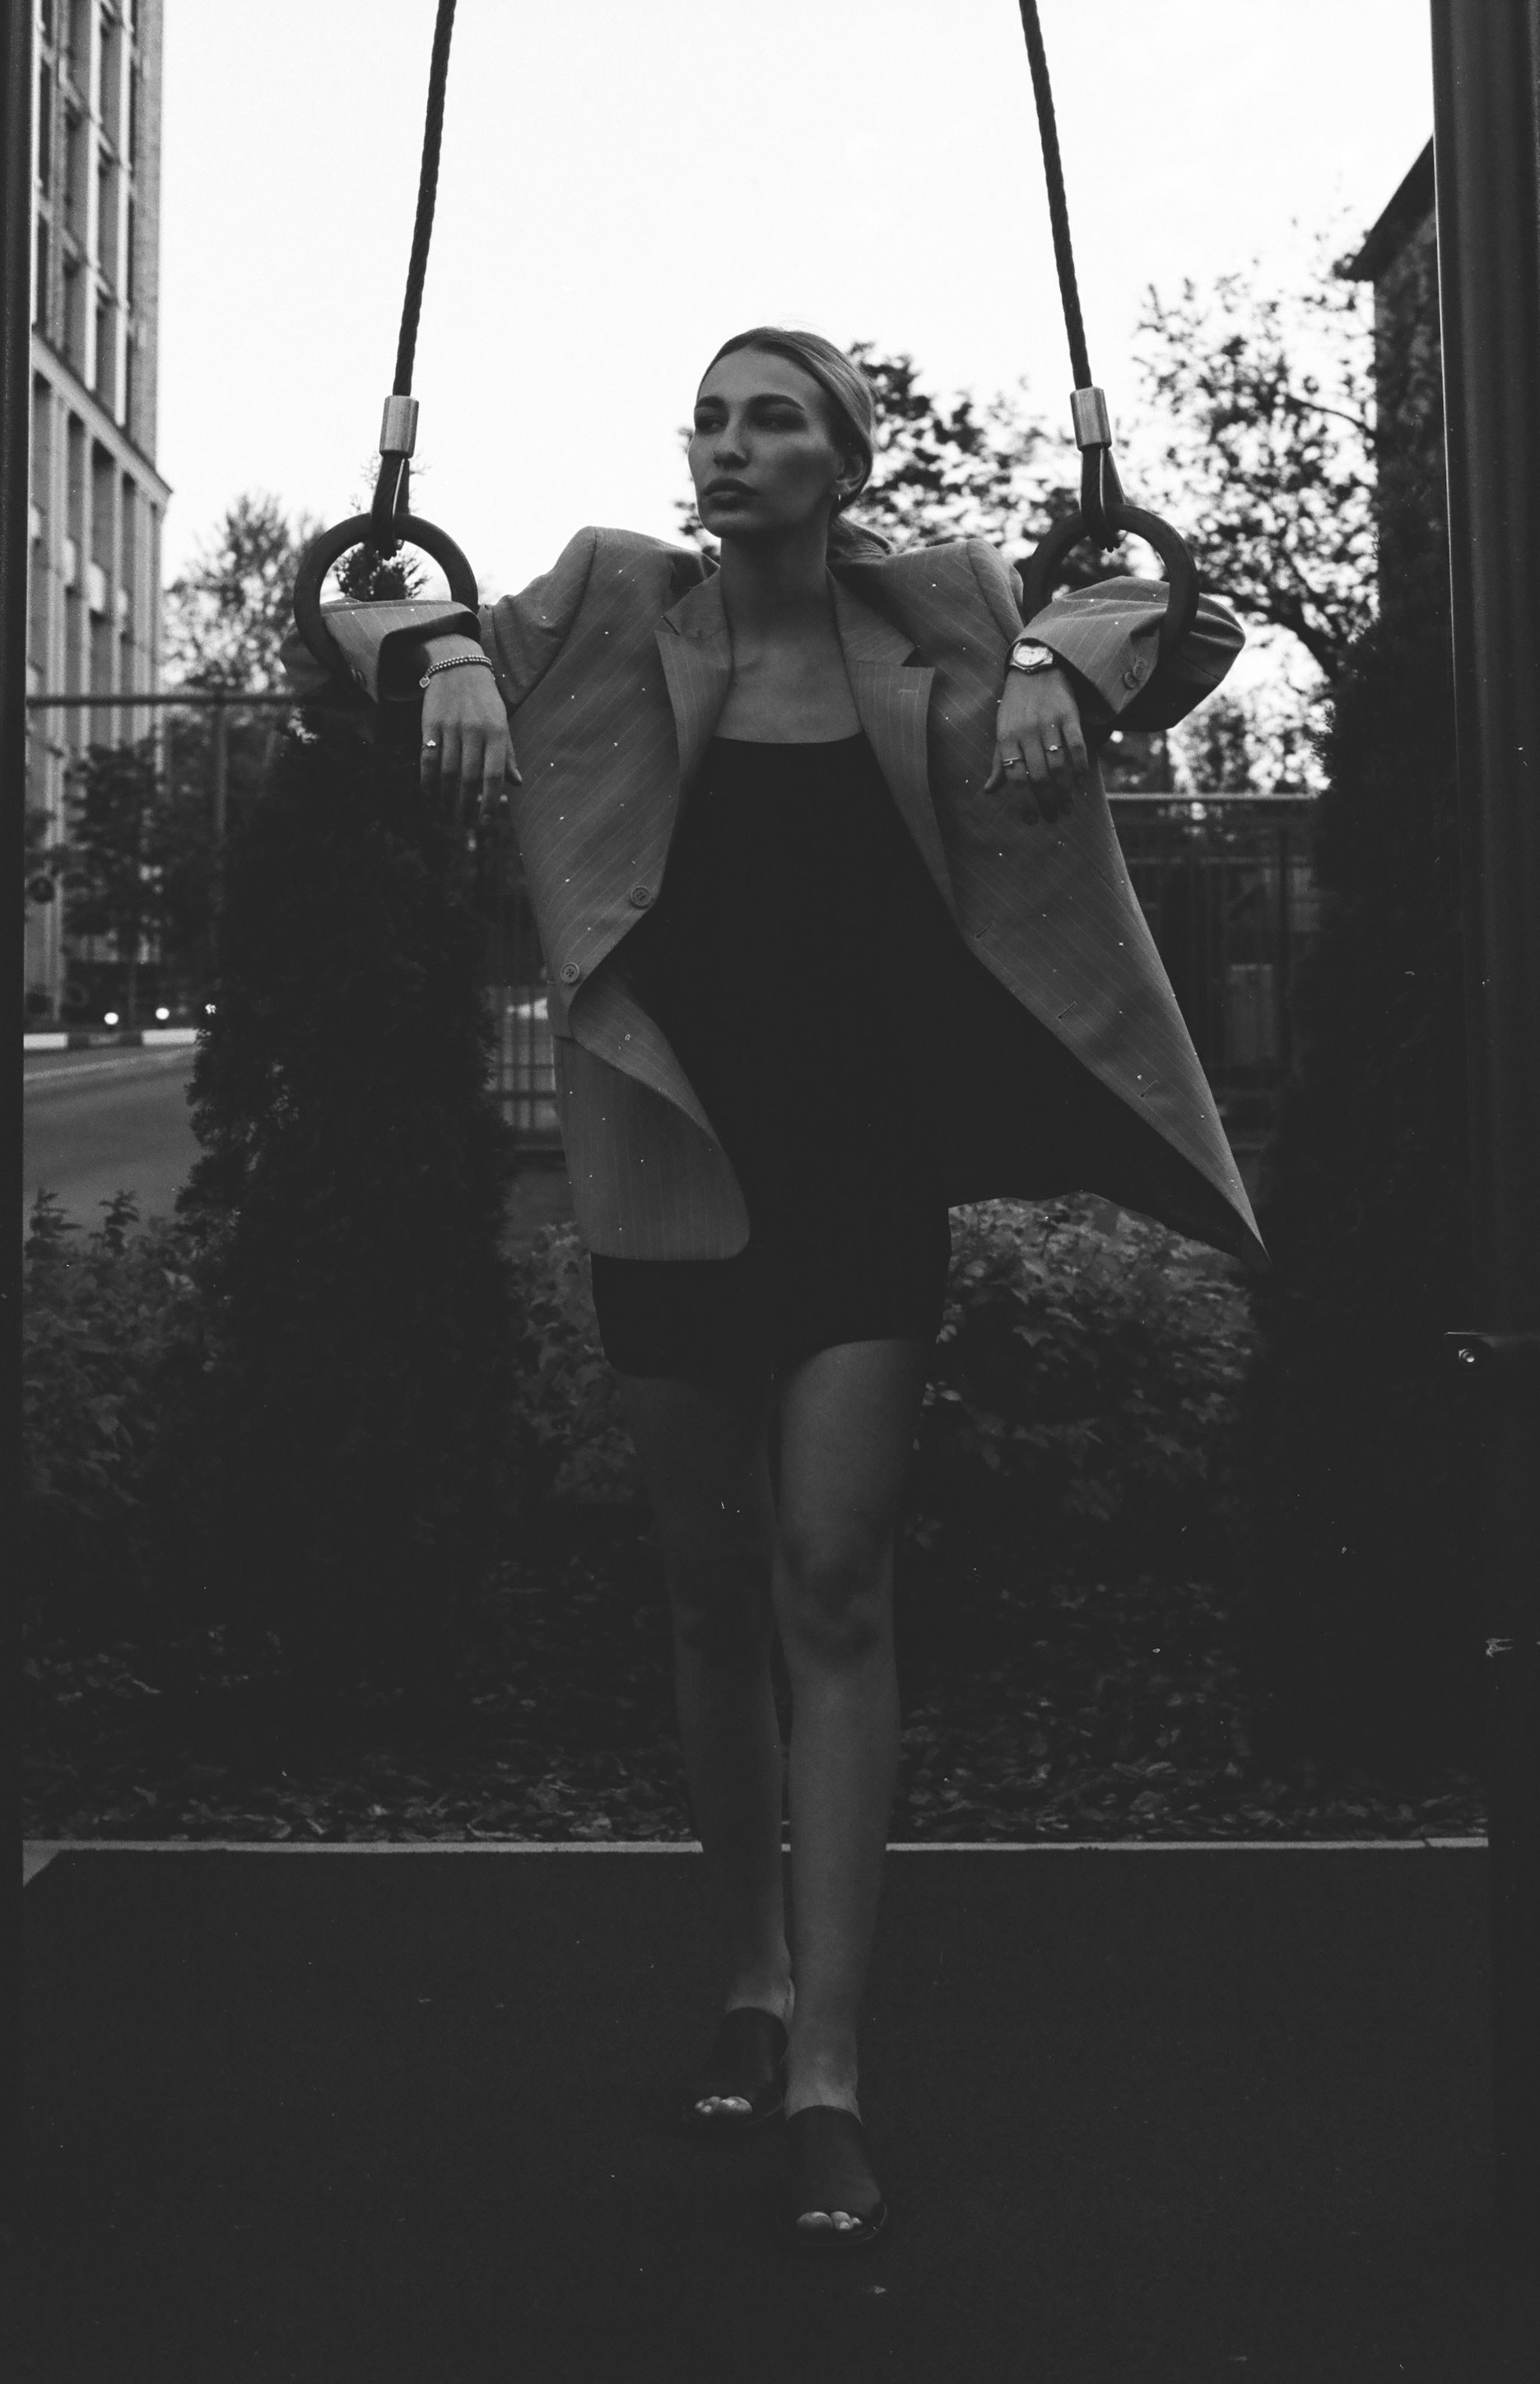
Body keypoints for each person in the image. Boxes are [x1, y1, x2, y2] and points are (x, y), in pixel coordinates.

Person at [287, 328, 1260, 2255]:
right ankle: (747, 1966)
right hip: (669, 1152)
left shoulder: (948, 611)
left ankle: (829, 2060)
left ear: (845, 462)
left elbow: (1179, 605)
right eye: (714, 419)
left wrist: (1066, 657)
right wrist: (447, 645)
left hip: (858, 1173)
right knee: (708, 1583)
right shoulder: (608, 599)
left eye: (776, 420)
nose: (730, 448)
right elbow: (341, 600)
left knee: (833, 1572)